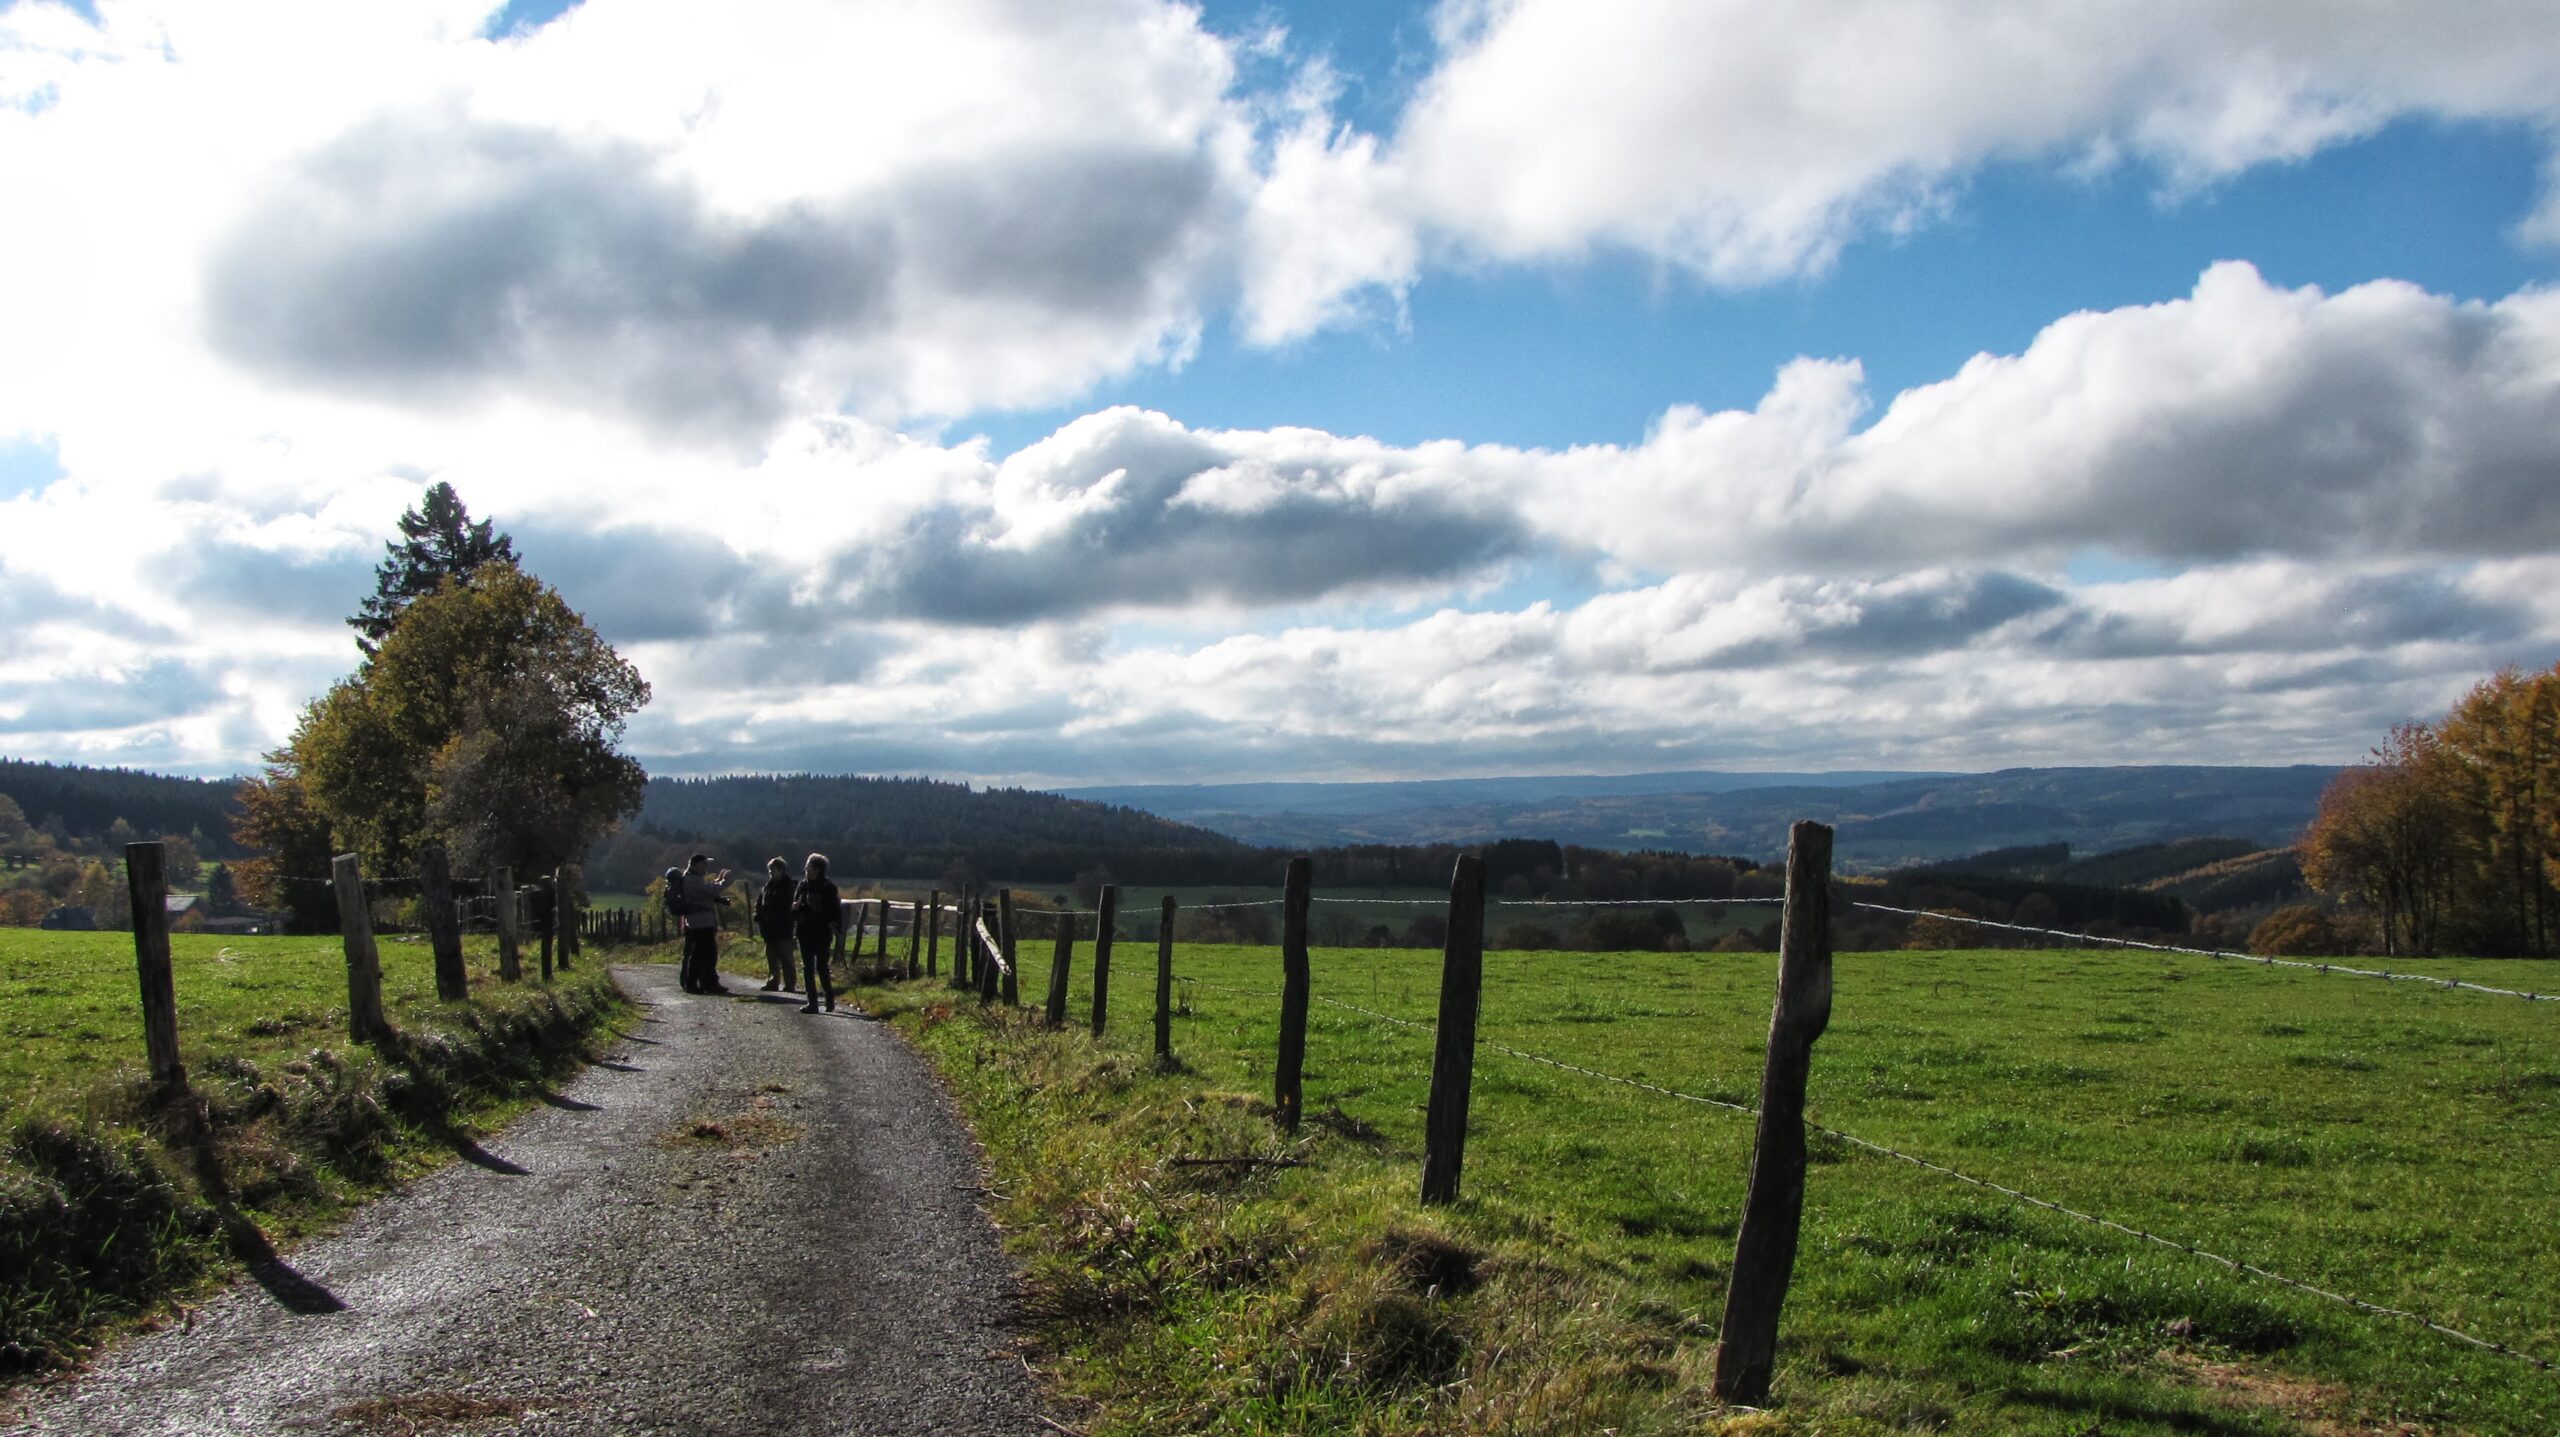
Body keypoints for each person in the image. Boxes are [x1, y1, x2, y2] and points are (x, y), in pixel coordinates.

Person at [793, 853, 844, 1014]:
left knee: (822, 966)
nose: (805, 869)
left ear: (817, 869)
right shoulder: (802, 886)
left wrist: (835, 924)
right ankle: (812, 1002)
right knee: (808, 967)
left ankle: (829, 997)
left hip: (822, 932)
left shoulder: (828, 888)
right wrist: (796, 908)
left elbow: (836, 910)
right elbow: (795, 908)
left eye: (808, 866)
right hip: (804, 931)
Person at [679, 853, 732, 994]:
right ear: (695, 865)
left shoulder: (693, 879)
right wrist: (724, 882)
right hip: (700, 922)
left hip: (701, 921)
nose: (706, 867)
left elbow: (706, 891)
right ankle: (695, 984)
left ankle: (707, 983)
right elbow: (707, 891)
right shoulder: (691, 880)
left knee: (706, 954)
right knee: (702, 954)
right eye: (704, 864)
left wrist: (717, 882)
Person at [754, 857, 798, 992]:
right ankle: (773, 981)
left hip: (783, 927)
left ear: (781, 870)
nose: (770, 873)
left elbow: (787, 906)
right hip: (769, 927)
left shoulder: (789, 887)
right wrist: (758, 914)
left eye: (772, 870)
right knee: (771, 957)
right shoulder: (768, 886)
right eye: (769, 870)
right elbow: (759, 902)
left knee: (786, 957)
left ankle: (790, 983)